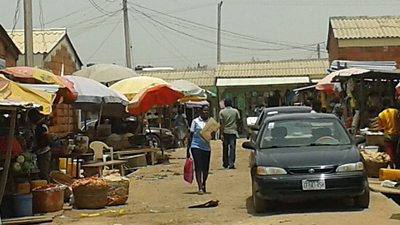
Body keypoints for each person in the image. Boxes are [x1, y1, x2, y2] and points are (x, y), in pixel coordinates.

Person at [187, 105, 212, 194]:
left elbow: (213, 134)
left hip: (207, 147)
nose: (206, 112)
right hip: (196, 146)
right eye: (204, 110)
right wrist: (188, 149)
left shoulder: (211, 122)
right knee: (198, 166)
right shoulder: (195, 121)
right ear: (200, 112)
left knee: (206, 168)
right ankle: (200, 187)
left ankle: (204, 183)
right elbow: (190, 136)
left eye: (207, 111)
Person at [370, 98, 400, 168]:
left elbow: (380, 128)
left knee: (389, 153)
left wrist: (372, 129)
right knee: (396, 152)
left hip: (388, 136)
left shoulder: (381, 114)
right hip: (397, 135)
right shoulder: (396, 111)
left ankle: (391, 167)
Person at [28, 109, 52, 181]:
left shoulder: (42, 126)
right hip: (41, 151)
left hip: (44, 152)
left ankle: (48, 188)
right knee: (41, 172)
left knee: (44, 172)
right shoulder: (39, 125)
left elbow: (46, 139)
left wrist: (37, 147)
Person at [219, 99, 241, 169]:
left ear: (225, 104)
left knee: (225, 149)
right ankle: (231, 163)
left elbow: (221, 124)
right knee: (232, 148)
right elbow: (238, 120)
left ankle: (225, 163)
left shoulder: (221, 112)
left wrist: (221, 134)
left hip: (225, 132)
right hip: (233, 132)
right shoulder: (235, 111)